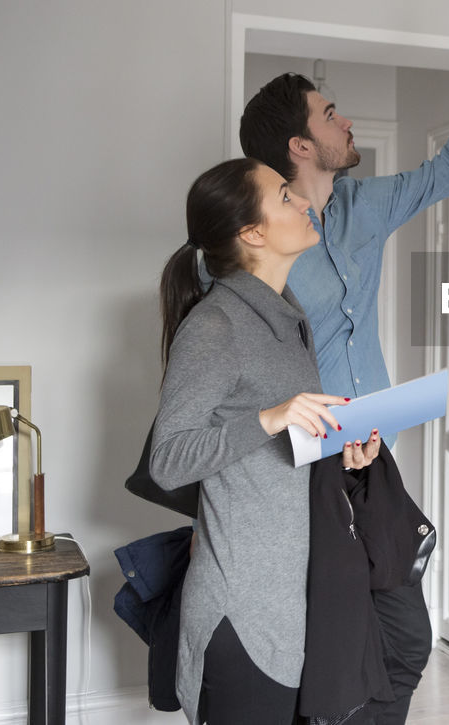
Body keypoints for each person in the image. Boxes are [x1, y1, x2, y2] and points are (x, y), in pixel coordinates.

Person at [238, 0, 449, 724]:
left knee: (401, 637)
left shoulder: (366, 205)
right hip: (299, 469)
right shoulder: (259, 236)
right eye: (331, 114)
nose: (346, 122)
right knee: (326, 648)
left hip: (375, 457)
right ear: (302, 144)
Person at [150, 158, 382, 724]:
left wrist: (343, 454)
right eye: (284, 196)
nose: (304, 201)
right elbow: (167, 460)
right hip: (244, 606)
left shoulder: (289, 318)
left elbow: (284, 452)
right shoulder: (216, 326)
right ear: (252, 232)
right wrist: (270, 418)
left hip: (300, 596)